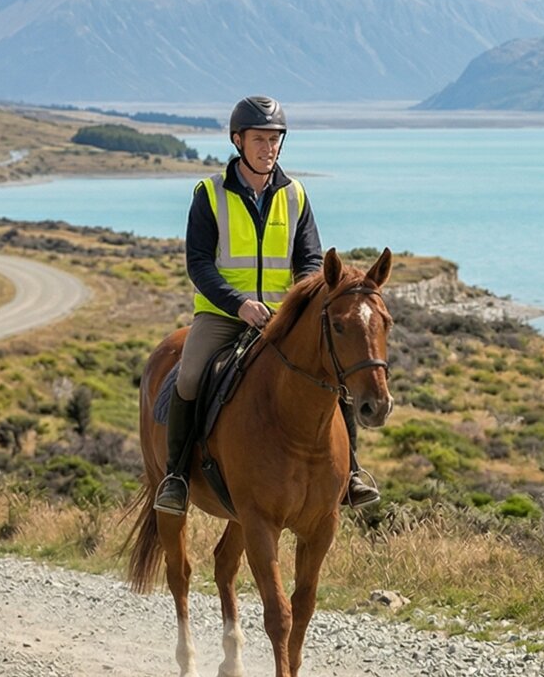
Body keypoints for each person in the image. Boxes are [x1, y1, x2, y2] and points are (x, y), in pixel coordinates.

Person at [153, 96, 379, 514]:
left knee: (337, 375)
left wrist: (299, 303)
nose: (268, 148)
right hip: (223, 315)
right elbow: (199, 263)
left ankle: (351, 475)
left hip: (282, 317)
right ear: (238, 141)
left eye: (275, 139)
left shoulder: (294, 195)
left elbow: (310, 260)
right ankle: (177, 478)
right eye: (259, 139)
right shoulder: (209, 194)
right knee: (190, 377)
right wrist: (239, 304)